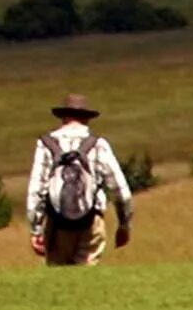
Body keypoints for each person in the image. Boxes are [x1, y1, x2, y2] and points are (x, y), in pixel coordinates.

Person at [27, 92, 133, 266]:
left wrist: (35, 229)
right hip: (91, 222)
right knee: (86, 278)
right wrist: (124, 224)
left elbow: (36, 190)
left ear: (63, 117)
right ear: (87, 118)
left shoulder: (46, 144)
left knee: (59, 280)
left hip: (57, 223)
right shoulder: (98, 144)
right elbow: (120, 190)